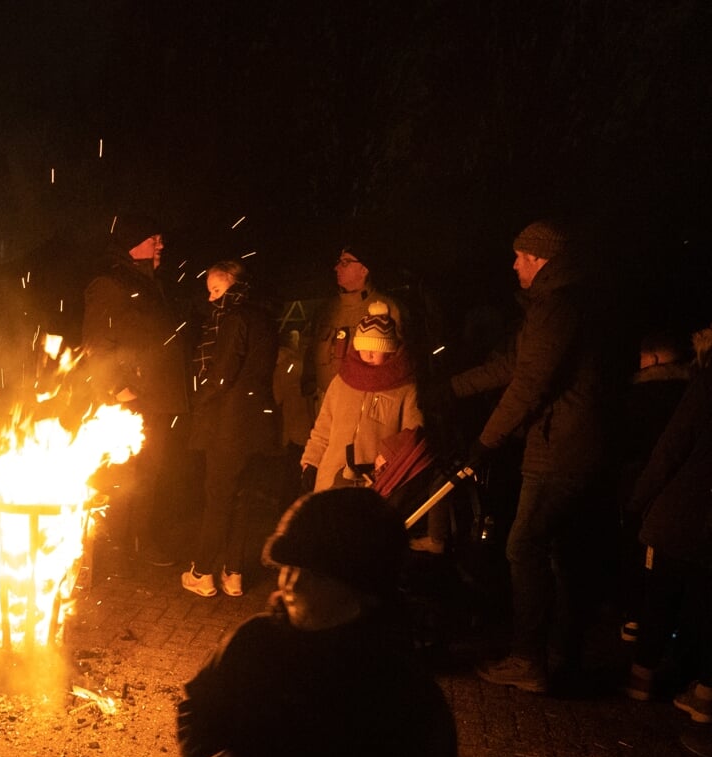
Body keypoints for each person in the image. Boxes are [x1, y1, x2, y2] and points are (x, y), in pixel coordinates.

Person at [176, 488, 458, 757]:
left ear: (363, 590)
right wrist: (203, 756)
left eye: (316, 575)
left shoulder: (401, 697)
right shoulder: (255, 641)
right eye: (289, 567)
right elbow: (199, 702)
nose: (292, 583)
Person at [453, 220, 621, 693]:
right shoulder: (562, 304)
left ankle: (529, 659)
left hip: (561, 445)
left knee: (523, 545)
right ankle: (559, 655)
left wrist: (486, 442)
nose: (513, 264)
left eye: (520, 256)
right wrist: (452, 388)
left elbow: (530, 383)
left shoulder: (559, 306)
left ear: (540, 258)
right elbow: (515, 365)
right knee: (558, 550)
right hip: (572, 441)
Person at [82, 213, 189, 567]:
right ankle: (113, 546)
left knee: (150, 475)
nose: (161, 244)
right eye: (152, 238)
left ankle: (140, 540)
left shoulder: (150, 284)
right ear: (133, 244)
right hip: (130, 402)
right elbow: (97, 344)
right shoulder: (109, 284)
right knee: (124, 477)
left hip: (155, 400)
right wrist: (117, 389)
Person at [181, 261, 279, 598]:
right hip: (258, 425)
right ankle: (234, 573)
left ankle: (202, 572)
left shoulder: (234, 318)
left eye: (217, 290)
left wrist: (196, 398)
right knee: (243, 499)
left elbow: (222, 375)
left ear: (234, 286)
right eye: (209, 291)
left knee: (219, 499)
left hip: (229, 426)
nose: (211, 299)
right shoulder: (265, 317)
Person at [622, 365, 712, 720]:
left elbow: (672, 445)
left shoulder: (707, 382)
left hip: (688, 508)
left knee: (661, 591)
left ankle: (641, 676)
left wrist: (638, 499)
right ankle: (706, 691)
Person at [300, 300, 422, 493]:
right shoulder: (342, 382)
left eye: (376, 348)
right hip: (330, 480)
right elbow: (323, 429)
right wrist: (311, 463)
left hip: (374, 483)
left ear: (390, 349)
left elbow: (413, 433)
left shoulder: (403, 388)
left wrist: (389, 455)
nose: (369, 354)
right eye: (364, 348)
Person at [302, 241, 404, 418]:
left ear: (364, 269)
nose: (336, 268)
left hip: (363, 408)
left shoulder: (388, 309)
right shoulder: (326, 310)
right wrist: (308, 386)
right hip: (325, 406)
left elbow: (399, 365)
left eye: (345, 262)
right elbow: (311, 354)